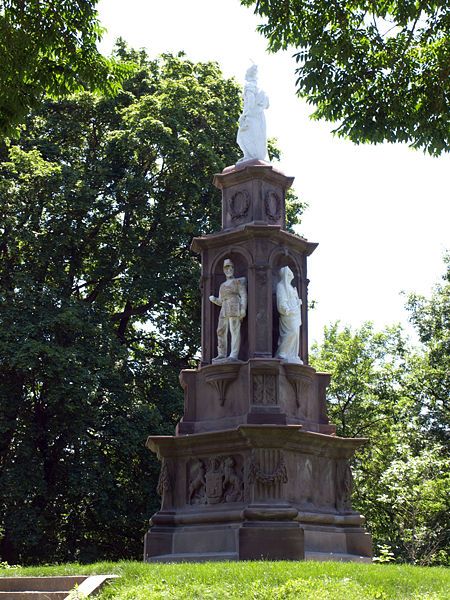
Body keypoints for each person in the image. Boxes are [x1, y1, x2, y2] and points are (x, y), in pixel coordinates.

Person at [209, 259, 247, 361]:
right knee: (220, 330)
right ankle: (222, 353)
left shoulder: (238, 281)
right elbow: (221, 301)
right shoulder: (222, 285)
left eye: (231, 267)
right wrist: (214, 300)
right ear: (224, 270)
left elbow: (243, 295)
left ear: (233, 269)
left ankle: (234, 355)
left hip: (235, 305)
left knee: (234, 330)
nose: (229, 269)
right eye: (226, 267)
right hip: (224, 308)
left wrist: (243, 309)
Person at [236, 64, 269, 162]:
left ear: (247, 75)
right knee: (258, 138)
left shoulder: (249, 85)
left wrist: (245, 115)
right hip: (259, 116)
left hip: (250, 116)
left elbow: (250, 100)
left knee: (242, 137)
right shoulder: (261, 89)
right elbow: (267, 105)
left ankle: (249, 157)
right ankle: (255, 157)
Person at [275, 266, 303, 364]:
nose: (291, 275)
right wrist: (285, 309)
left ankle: (291, 354)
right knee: (292, 332)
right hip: (288, 314)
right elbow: (281, 300)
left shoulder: (291, 287)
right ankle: (282, 352)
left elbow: (294, 299)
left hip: (295, 313)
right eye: (289, 274)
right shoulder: (281, 286)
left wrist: (298, 301)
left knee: (295, 333)